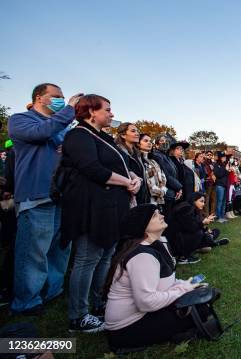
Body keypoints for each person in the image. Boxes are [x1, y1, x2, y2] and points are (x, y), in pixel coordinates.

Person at [59, 94, 141, 332]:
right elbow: (92, 168)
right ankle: (78, 315)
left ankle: (98, 302)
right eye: (107, 109)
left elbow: (121, 167)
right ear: (91, 112)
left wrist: (133, 178)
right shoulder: (78, 135)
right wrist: (126, 181)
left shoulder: (102, 137)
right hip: (91, 209)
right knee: (87, 258)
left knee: (106, 256)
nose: (112, 114)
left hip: (112, 208)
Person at [7, 83, 82, 315]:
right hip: (36, 194)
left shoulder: (59, 128)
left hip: (62, 195)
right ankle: (26, 301)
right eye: (56, 96)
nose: (61, 99)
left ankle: (52, 291)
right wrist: (69, 109)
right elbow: (41, 133)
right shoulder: (20, 120)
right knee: (33, 251)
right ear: (39, 98)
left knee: (59, 248)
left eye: (63, 97)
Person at [103, 204, 201, 352]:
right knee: (199, 311)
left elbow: (162, 284)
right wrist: (182, 290)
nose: (162, 215)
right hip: (126, 328)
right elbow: (146, 302)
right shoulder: (142, 255)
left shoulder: (158, 243)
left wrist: (185, 285)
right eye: (155, 215)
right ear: (142, 225)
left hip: (143, 314)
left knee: (198, 300)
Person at [115, 123, 150, 205]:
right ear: (123, 135)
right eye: (133, 131)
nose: (137, 133)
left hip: (141, 195)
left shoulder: (138, 153)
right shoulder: (118, 151)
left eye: (137, 131)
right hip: (128, 196)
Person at [150, 135, 182, 216]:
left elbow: (174, 174)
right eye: (162, 141)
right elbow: (165, 175)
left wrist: (178, 189)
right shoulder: (157, 155)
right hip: (166, 193)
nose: (165, 143)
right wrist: (178, 187)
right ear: (156, 145)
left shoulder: (166, 156)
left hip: (172, 192)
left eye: (166, 141)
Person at [138, 133, 168, 205]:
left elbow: (163, 176)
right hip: (147, 199)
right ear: (138, 144)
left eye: (150, 141)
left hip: (159, 199)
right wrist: (159, 192)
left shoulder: (153, 160)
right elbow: (147, 180)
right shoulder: (138, 159)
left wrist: (163, 189)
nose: (149, 143)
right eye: (146, 141)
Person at [213, 152, 229, 223]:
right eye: (223, 157)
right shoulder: (216, 164)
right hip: (219, 185)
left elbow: (226, 175)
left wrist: (227, 170)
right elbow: (218, 174)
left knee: (224, 202)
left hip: (225, 185)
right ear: (220, 158)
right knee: (219, 201)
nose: (224, 158)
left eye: (225, 157)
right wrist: (226, 170)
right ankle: (219, 217)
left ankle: (222, 216)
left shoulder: (224, 164)